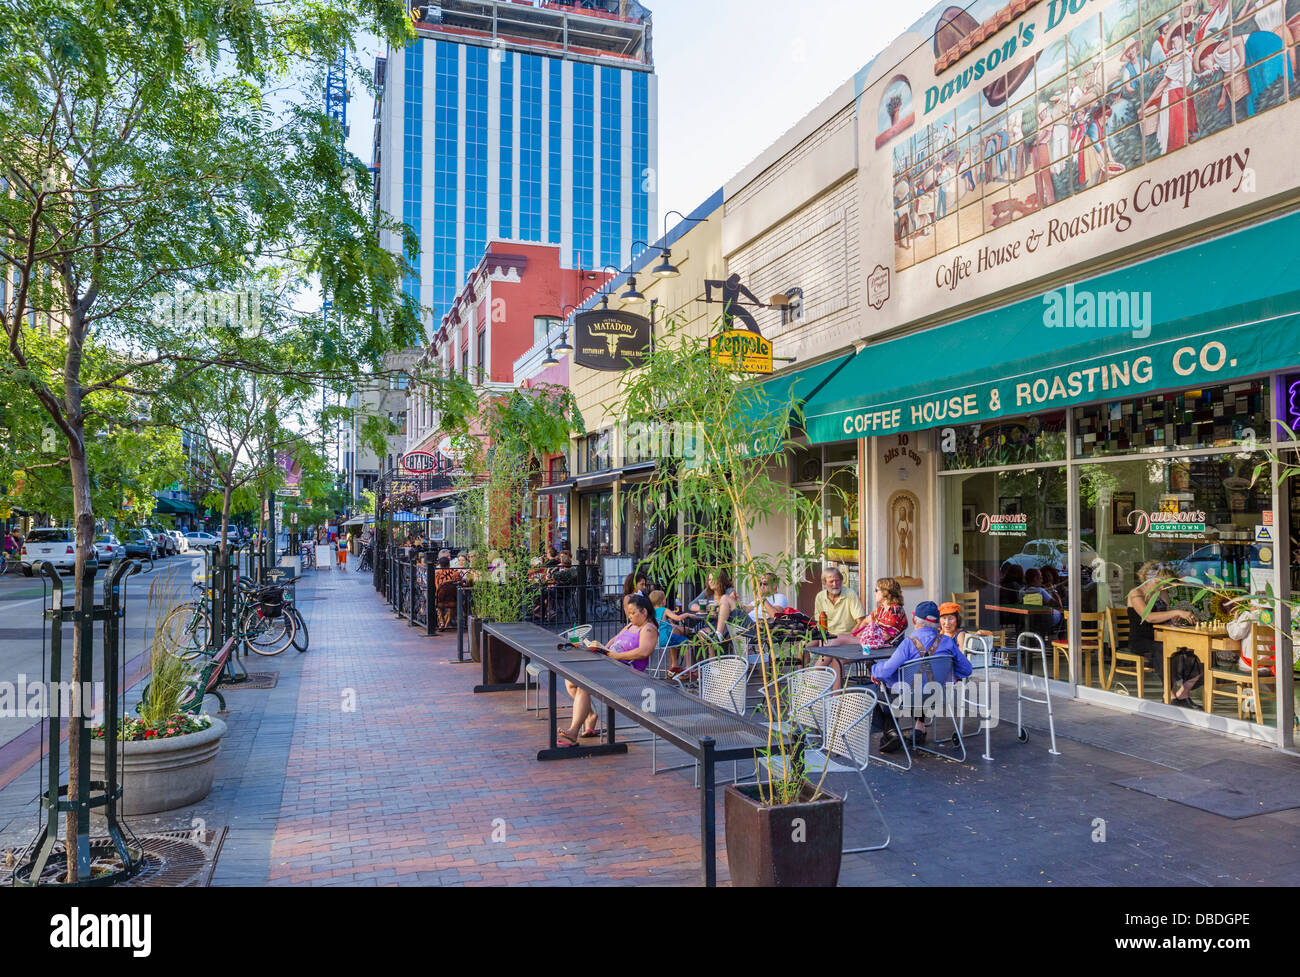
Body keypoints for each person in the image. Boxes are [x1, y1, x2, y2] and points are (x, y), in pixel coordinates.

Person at [871, 601, 973, 754]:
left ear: (914, 620)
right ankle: (902, 730)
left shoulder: (908, 643)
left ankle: (891, 730)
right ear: (937, 622)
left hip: (907, 698)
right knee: (920, 681)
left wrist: (872, 668)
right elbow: (967, 669)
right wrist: (949, 672)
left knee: (874, 688)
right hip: (938, 696)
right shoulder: (947, 642)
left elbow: (885, 671)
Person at [558, 594, 659, 744]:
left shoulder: (648, 629)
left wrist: (615, 656)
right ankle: (590, 715)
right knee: (571, 679)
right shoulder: (631, 625)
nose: (629, 617)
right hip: (610, 664)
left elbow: (644, 651)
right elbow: (614, 640)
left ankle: (573, 731)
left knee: (584, 684)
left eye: (632, 613)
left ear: (644, 612)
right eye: (628, 614)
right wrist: (601, 648)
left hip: (626, 673)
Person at [1127, 562, 1199, 706]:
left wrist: (1173, 618)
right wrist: (1176, 612)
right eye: (1160, 583)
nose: (1162, 587)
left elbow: (1164, 617)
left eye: (1165, 584)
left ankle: (1183, 693)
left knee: (1194, 651)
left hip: (1163, 637)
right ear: (1149, 578)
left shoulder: (1162, 593)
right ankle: (1169, 694)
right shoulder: (1136, 593)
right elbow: (1148, 617)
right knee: (1163, 650)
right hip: (1142, 640)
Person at [810, 567, 867, 642]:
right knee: (803, 644)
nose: (835, 584)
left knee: (829, 647)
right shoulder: (820, 596)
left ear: (841, 580)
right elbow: (819, 622)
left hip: (845, 635)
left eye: (837, 581)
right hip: (826, 635)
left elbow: (861, 621)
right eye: (831, 582)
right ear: (824, 583)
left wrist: (850, 636)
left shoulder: (850, 594)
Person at [650, 589, 690, 676]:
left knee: (675, 638)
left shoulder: (651, 612)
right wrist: (687, 614)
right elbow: (678, 618)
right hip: (665, 638)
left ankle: (675, 664)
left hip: (655, 640)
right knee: (686, 641)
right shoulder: (665, 610)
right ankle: (688, 667)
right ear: (663, 600)